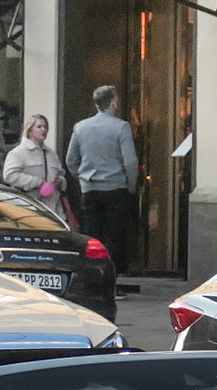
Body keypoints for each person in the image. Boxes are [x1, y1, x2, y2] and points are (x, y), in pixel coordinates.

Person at [65, 85, 140, 278]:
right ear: (114, 103)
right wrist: (130, 185)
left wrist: (81, 177)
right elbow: (130, 161)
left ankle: (92, 277)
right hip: (115, 188)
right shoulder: (121, 127)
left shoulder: (80, 127)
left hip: (90, 189)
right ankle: (112, 279)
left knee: (92, 235)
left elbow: (70, 160)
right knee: (114, 236)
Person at [2, 113, 66, 205]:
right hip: (29, 206)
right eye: (39, 127)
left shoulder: (51, 154)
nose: (43, 130)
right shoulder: (18, 153)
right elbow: (9, 176)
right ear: (29, 130)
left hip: (53, 207)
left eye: (45, 127)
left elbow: (61, 173)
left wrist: (60, 181)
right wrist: (38, 182)